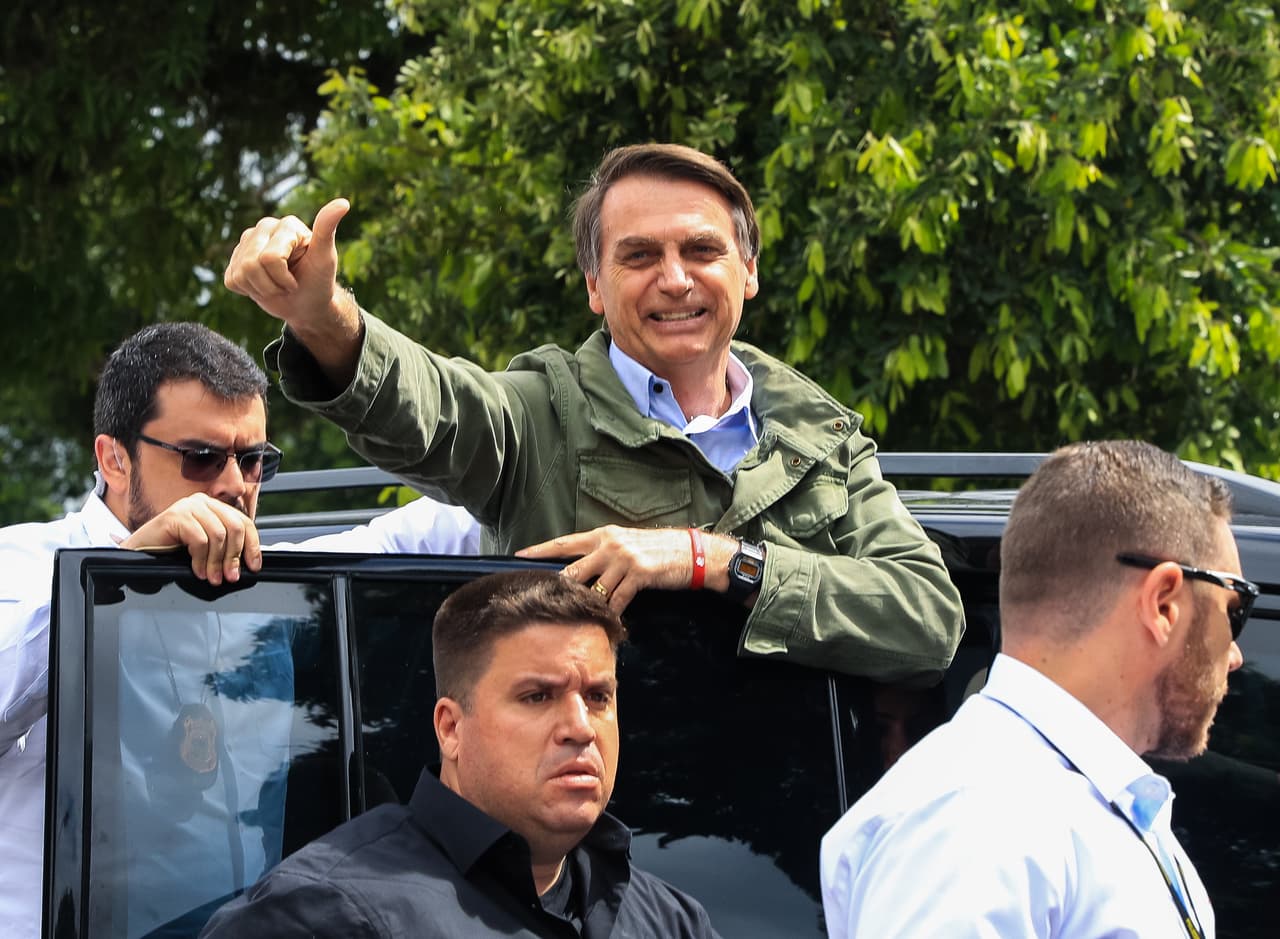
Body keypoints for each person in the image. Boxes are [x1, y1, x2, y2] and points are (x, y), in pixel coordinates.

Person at [223, 142, 964, 682]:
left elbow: (928, 618)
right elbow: (435, 408)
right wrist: (325, 319)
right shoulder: (539, 416)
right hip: (590, 859)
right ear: (595, 287)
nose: (675, 280)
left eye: (701, 250)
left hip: (776, 870)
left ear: (748, 271)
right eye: (639, 256)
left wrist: (707, 561)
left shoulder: (820, 440)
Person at [0, 322, 479, 938]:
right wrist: (121, 577)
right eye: (201, 458)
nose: (233, 484)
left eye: (253, 461)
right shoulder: (25, 565)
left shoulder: (266, 587)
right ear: (113, 459)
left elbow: (438, 532)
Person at [820, 440, 1254, 938]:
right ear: (1162, 603)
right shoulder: (979, 815)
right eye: (1235, 608)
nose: (1235, 653)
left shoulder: (1050, 805)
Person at [199, 569, 719, 938]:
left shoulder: (669, 919)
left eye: (598, 697)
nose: (581, 728)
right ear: (450, 727)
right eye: (537, 697)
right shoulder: (323, 913)